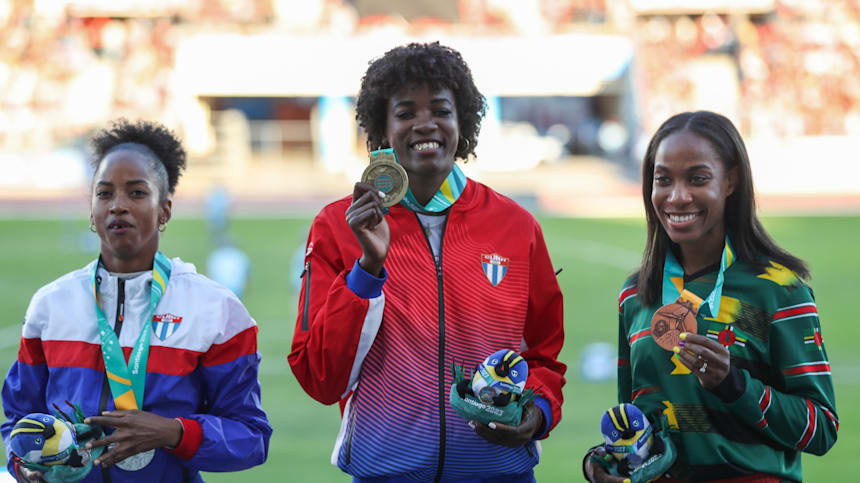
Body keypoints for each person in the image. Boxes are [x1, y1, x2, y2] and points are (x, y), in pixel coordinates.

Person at [288, 42, 566, 482]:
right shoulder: (337, 226)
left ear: (463, 122)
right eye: (404, 113)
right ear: (382, 128)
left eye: (440, 109)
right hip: (386, 473)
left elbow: (543, 356)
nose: (424, 124)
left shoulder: (517, 226)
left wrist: (538, 412)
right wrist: (367, 270)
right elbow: (319, 377)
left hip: (499, 474)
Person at [2, 120, 272, 482]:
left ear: (165, 210)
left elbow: (251, 438)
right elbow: (18, 420)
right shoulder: (50, 305)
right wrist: (27, 466)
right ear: (91, 212)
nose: (118, 206)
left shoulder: (216, 310)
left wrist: (173, 433)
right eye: (104, 194)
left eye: (136, 193)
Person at [584, 111, 838, 482]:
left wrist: (734, 385)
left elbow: (822, 428)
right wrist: (603, 461)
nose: (677, 196)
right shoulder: (637, 294)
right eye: (663, 180)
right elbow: (634, 419)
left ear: (731, 180)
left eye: (698, 179)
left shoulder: (778, 289)